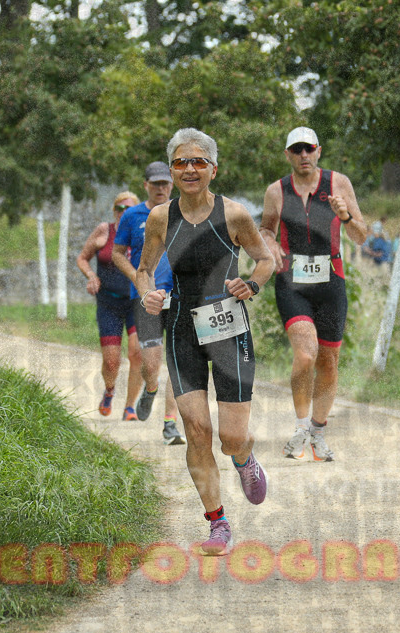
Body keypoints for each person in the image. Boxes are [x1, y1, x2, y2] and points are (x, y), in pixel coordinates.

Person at [137, 128, 275, 555]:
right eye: (181, 162)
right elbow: (144, 269)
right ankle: (217, 522)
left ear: (214, 168)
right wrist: (148, 293)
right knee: (196, 428)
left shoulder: (234, 215)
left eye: (198, 162)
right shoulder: (161, 218)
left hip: (228, 326)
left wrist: (250, 284)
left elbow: (266, 260)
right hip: (181, 327)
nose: (189, 169)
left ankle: (243, 458)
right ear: (173, 170)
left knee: (231, 436)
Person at [260, 126, 367, 462]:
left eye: (309, 149)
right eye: (296, 150)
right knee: (306, 354)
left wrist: (345, 215)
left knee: (328, 361)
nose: (303, 156)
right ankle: (301, 426)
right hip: (292, 282)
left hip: (331, 280)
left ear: (318, 151)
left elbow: (360, 235)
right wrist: (271, 245)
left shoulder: (339, 184)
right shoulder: (276, 191)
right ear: (288, 155)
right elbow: (265, 229)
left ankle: (318, 433)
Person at [112, 162, 184, 445]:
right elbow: (118, 253)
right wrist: (136, 276)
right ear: (146, 185)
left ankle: (170, 423)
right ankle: (150, 388)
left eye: (166, 183)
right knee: (151, 363)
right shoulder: (132, 215)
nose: (161, 188)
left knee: (179, 362)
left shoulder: (183, 212)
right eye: (155, 184)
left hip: (178, 296)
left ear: (172, 184)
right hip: (145, 298)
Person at [76, 191, 155, 435]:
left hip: (134, 303)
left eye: (129, 209)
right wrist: (91, 276)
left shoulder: (141, 233)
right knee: (111, 361)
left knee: (137, 354)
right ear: (114, 211)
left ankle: (130, 406)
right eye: (120, 208)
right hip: (108, 303)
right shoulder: (104, 231)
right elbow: (82, 258)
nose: (124, 212)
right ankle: (109, 390)